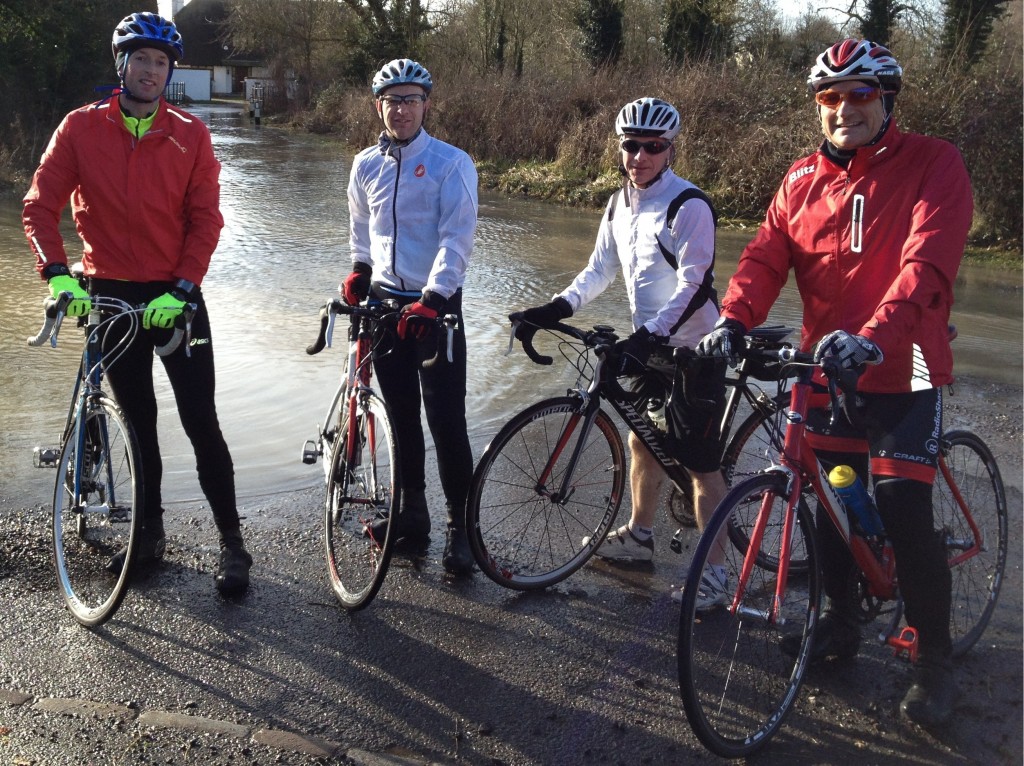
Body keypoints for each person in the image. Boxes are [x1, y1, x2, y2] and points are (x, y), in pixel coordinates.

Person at [697, 40, 972, 728]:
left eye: (859, 95)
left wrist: (876, 333)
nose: (844, 109)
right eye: (830, 98)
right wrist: (733, 319)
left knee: (902, 502)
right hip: (830, 367)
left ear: (886, 101)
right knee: (831, 495)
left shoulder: (934, 163)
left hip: (902, 361)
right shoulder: (800, 181)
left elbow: (927, 264)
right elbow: (765, 255)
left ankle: (933, 660)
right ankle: (841, 620)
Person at [23, 12, 252, 596]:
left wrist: (182, 287)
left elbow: (206, 219)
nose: (151, 71)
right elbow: (39, 207)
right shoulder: (80, 129)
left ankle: (232, 540)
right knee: (140, 422)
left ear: (169, 70)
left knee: (202, 421)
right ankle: (148, 534)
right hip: (111, 293)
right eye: (141, 60)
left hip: (176, 296)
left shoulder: (190, 134)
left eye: (161, 62)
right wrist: (58, 277)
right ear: (121, 65)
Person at [512, 97, 730, 608]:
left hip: (693, 348)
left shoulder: (688, 204)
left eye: (653, 147)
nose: (640, 156)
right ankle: (639, 534)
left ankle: (717, 574)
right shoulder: (619, 203)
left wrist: (649, 335)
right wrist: (555, 308)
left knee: (701, 466)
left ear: (671, 148)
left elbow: (695, 287)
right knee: (641, 440)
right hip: (648, 342)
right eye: (632, 146)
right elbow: (599, 270)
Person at [343, 58, 477, 575]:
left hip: (433, 307)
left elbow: (456, 238)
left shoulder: (451, 163)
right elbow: (360, 224)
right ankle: (412, 516)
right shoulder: (365, 164)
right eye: (392, 100)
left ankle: (460, 531)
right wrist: (358, 268)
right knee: (400, 416)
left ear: (426, 104)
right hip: (383, 303)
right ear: (379, 105)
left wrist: (436, 298)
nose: (401, 110)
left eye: (410, 100)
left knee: (446, 421)